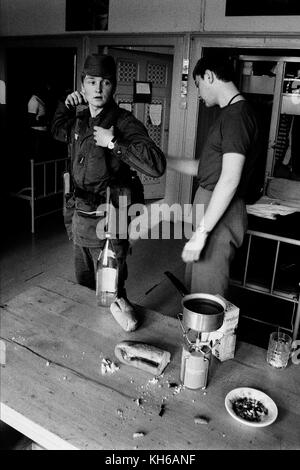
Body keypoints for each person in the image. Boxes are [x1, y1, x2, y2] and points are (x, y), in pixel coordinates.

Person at [51, 54, 166, 326]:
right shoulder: (79, 118)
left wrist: (114, 142)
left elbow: (156, 164)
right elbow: (57, 130)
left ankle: (112, 338)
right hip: (80, 217)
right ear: (83, 85)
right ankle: (91, 335)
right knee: (83, 283)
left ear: (113, 86)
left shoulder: (124, 122)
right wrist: (64, 106)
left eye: (105, 83)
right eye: (92, 82)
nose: (98, 89)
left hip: (109, 221)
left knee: (109, 290)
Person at [167, 53, 260, 297]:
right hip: (209, 204)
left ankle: (206, 336)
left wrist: (202, 233)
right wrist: (164, 160)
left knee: (206, 294)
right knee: (195, 284)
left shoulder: (237, 117)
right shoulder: (229, 115)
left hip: (220, 211)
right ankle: (193, 334)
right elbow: (205, 168)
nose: (198, 93)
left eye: (197, 85)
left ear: (209, 76)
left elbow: (229, 179)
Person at [27, 81, 53, 161]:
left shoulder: (40, 99)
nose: (48, 90)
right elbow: (31, 121)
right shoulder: (34, 101)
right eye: (46, 88)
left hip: (42, 133)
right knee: (38, 156)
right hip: (37, 134)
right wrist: (46, 121)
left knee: (43, 156)